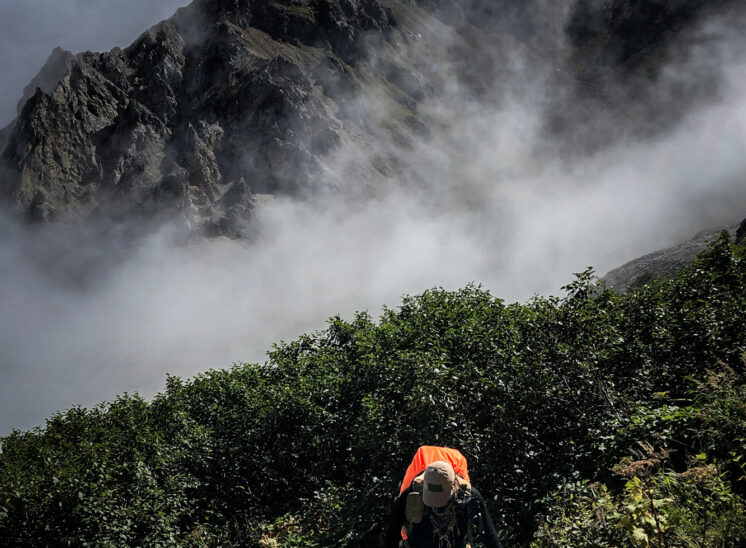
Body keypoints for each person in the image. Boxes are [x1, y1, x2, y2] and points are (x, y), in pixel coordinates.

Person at [385, 460, 503, 548]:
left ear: (453, 485)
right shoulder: (411, 493)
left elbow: (490, 536)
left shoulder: (469, 496)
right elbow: (393, 534)